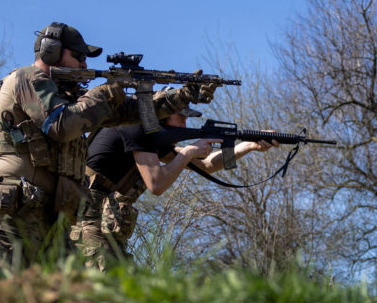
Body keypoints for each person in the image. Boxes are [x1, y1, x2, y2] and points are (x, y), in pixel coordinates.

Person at [0, 21, 210, 278]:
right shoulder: (26, 79)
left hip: (51, 217)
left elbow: (130, 113)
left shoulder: (67, 96)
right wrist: (110, 90)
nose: (85, 65)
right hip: (13, 218)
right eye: (78, 56)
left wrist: (181, 96)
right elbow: (62, 125)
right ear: (50, 51)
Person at [72, 109, 278, 269]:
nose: (185, 125)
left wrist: (249, 146)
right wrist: (187, 153)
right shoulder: (134, 127)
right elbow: (157, 184)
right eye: (180, 119)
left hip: (100, 223)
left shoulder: (149, 140)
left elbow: (206, 165)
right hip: (87, 218)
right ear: (162, 117)